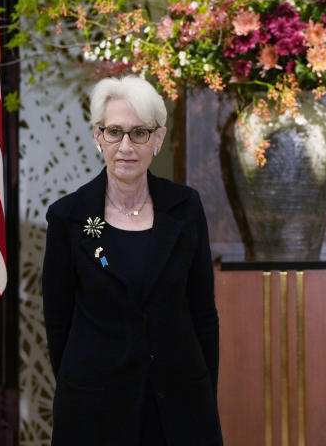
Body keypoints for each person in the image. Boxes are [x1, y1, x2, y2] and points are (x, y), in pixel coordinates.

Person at [42, 76, 223, 446]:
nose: (126, 146)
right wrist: (84, 386)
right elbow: (57, 323)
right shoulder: (68, 217)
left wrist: (202, 390)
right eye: (115, 132)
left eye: (139, 133)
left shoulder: (185, 208)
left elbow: (203, 313)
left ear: (157, 139)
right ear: (98, 136)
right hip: (94, 411)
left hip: (180, 408)